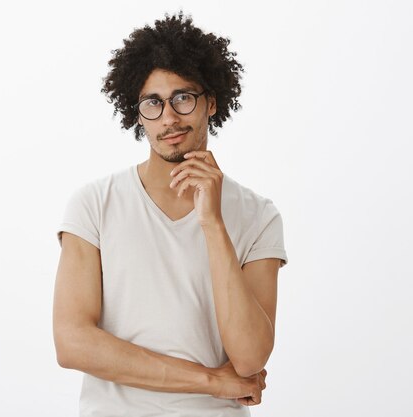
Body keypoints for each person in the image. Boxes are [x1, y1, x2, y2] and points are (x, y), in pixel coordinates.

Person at [53, 11, 288, 417]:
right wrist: (210, 380)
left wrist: (212, 224)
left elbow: (249, 359)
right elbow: (72, 342)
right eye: (153, 103)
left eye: (183, 97)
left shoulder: (258, 216)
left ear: (210, 101)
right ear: (137, 112)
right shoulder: (93, 205)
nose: (169, 118)